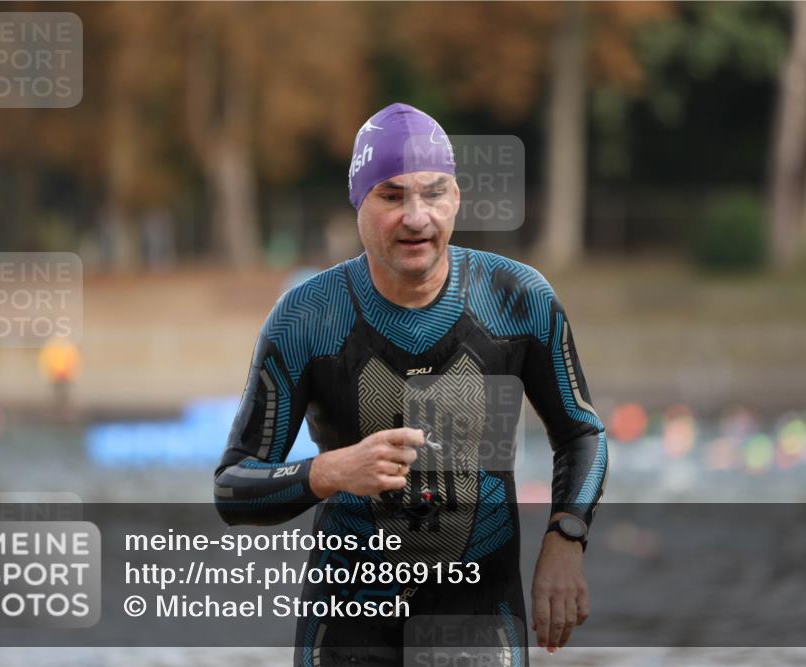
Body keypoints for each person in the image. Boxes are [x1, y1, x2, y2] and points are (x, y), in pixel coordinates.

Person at [214, 102, 608, 666]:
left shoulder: (517, 298)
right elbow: (232, 487)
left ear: (457, 198)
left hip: (478, 620)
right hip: (348, 626)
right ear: (359, 204)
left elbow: (580, 434)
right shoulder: (307, 317)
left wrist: (565, 540)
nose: (416, 217)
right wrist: (330, 472)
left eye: (434, 192)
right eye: (392, 196)